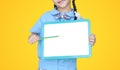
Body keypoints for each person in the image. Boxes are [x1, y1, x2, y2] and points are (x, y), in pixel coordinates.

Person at [28, 0, 96, 70]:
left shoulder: (79, 21)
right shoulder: (45, 17)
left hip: (68, 67)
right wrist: (32, 37)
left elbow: (85, 44)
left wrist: (91, 40)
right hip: (46, 67)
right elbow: (33, 34)